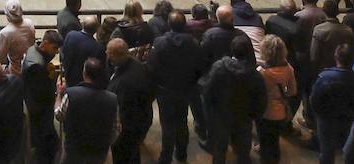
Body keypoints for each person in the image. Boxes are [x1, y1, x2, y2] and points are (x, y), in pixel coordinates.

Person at [150, 10, 205, 164]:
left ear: (169, 24)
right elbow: (200, 66)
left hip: (165, 90)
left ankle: (166, 157)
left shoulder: (160, 43)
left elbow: (152, 66)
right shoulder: (193, 43)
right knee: (182, 121)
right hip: (185, 88)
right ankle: (182, 153)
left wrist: (157, 83)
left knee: (167, 124)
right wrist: (191, 82)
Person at [203, 34, 267, 164]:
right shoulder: (255, 75)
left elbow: (208, 90)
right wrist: (254, 115)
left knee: (220, 149)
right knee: (243, 151)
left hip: (221, 115)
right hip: (244, 117)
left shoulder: (219, 67)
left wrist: (211, 111)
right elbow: (261, 100)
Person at [312, 44, 354, 164]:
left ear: (336, 57)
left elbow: (314, 99)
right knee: (347, 150)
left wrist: (319, 116)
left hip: (327, 120)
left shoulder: (324, 77)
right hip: (349, 120)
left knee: (326, 151)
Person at [62, 56, 119, 164]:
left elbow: (59, 115)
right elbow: (115, 128)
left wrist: (59, 96)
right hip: (98, 151)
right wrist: (105, 143)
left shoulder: (71, 94)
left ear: (84, 73)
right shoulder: (112, 99)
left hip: (74, 150)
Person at [107, 37, 155, 164]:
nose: (107, 56)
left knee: (123, 156)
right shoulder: (135, 64)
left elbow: (124, 110)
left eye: (109, 53)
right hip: (141, 120)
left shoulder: (126, 83)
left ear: (117, 55)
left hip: (129, 128)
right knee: (133, 154)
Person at [22, 29, 62, 164]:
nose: (56, 52)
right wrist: (52, 79)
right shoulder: (37, 67)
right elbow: (43, 93)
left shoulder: (33, 49)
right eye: (54, 48)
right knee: (44, 142)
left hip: (34, 102)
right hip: (39, 108)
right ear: (45, 44)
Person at [258, 33, 297, 164]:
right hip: (280, 112)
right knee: (274, 140)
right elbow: (292, 91)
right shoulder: (289, 68)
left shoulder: (262, 72)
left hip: (264, 111)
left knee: (264, 139)